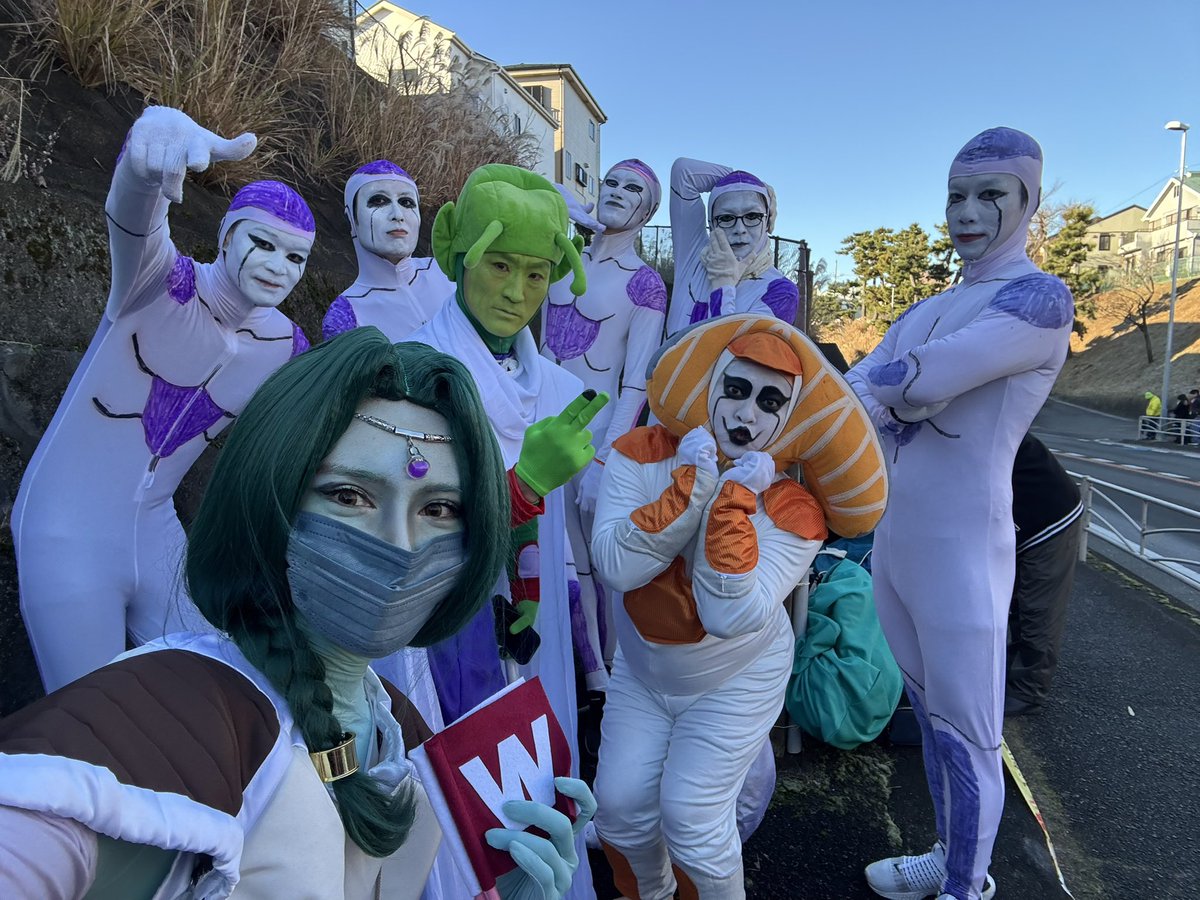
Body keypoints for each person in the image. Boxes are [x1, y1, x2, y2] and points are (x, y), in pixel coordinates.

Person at [0, 328, 595, 899]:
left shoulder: (402, 733)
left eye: (438, 508)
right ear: (272, 498)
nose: (400, 544)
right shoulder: (175, 706)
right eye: (350, 496)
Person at [11, 106, 314, 692]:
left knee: (227, 692)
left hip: (156, 532)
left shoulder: (285, 346)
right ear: (227, 236)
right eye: (263, 244)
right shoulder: (156, 282)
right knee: (89, 720)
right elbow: (134, 219)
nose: (278, 267)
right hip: (64, 528)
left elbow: (315, 427)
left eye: (296, 257)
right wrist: (142, 160)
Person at [846, 127, 1074, 900]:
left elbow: (919, 380)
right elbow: (861, 392)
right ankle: (948, 857)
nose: (967, 212)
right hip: (898, 544)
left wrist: (895, 388)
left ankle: (967, 886)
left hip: (964, 553)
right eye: (955, 196)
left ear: (1027, 201)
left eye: (989, 195)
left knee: (967, 733)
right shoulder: (927, 308)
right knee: (928, 719)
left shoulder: (1039, 298)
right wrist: (894, 388)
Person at [591, 314, 888, 899]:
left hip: (734, 680)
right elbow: (618, 566)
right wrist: (690, 488)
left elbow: (729, 615)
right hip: (644, 671)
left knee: (692, 822)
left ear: (788, 417)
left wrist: (729, 505)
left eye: (769, 402)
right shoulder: (638, 454)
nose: (746, 414)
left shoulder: (795, 512)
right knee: (618, 810)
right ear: (711, 386)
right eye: (736, 389)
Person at [411, 163, 609, 899]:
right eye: (499, 265)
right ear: (460, 254)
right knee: (453, 809)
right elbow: (412, 523)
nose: (517, 292)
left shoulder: (558, 389)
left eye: (536, 273)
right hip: (438, 628)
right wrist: (523, 485)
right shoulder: (413, 375)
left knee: (533, 794)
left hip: (532, 629)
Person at [542, 159, 668, 691]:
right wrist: (564, 209)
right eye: (610, 182)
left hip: (595, 433)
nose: (617, 192)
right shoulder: (558, 257)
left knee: (599, 564)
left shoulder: (644, 285)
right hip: (540, 426)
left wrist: (605, 457)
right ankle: (584, 670)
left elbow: (637, 381)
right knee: (555, 557)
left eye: (632, 188)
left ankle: (610, 675)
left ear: (648, 210)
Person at [665, 157, 799, 336]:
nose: (739, 229)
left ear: (767, 220)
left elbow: (726, 351)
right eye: (726, 218)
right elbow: (684, 172)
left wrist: (723, 284)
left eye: (752, 216)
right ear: (712, 223)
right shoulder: (695, 258)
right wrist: (740, 179)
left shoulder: (780, 291)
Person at [322, 160, 453, 341]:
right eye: (379, 201)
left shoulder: (450, 272)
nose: (397, 215)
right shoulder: (346, 315)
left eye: (406, 202)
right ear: (351, 218)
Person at [1006, 433, 1084, 716]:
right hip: (1019, 517)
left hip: (1049, 518)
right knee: (1013, 600)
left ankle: (1028, 691)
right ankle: (1011, 673)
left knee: (1037, 607)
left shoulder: (966, 421)